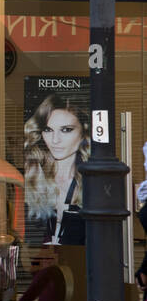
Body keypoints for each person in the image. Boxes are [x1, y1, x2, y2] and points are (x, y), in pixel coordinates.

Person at [21, 94, 90, 247]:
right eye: (48, 129)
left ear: (83, 132)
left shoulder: (92, 183)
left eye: (66, 130)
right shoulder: (31, 177)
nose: (55, 140)